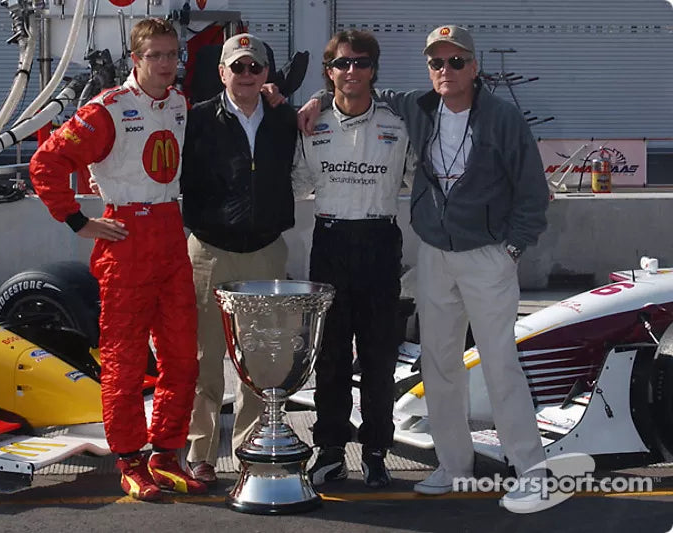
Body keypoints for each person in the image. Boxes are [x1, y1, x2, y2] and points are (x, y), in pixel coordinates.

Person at [299, 24, 550, 508]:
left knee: (500, 364)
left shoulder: (502, 119)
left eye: (457, 62)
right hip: (434, 251)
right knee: (438, 362)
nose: (446, 71)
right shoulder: (417, 106)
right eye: (437, 62)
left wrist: (512, 251)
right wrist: (314, 97)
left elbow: (533, 194)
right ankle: (454, 464)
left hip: (488, 255)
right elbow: (350, 80)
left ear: (474, 68)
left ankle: (531, 469)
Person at [29, 17, 206, 501]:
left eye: (173, 55)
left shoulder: (180, 104)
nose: (167, 64)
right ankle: (129, 458)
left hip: (171, 234)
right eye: (157, 55)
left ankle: (166, 453)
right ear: (136, 59)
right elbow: (45, 162)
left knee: (181, 359)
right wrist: (77, 221)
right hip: (126, 237)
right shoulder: (108, 107)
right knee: (124, 362)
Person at [291, 29, 409, 489]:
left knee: (380, 357)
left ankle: (377, 450)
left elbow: (426, 175)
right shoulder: (311, 122)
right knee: (332, 357)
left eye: (361, 63)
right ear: (329, 71)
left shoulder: (398, 122)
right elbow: (296, 183)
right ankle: (331, 448)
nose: (352, 71)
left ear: (374, 69)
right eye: (342, 64)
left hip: (380, 241)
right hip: (331, 240)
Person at [181, 33, 298, 483]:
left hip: (266, 252)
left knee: (261, 360)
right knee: (205, 358)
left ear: (266, 74)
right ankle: (201, 454)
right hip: (210, 252)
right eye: (238, 67)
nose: (246, 75)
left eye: (255, 68)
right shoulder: (195, 120)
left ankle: (252, 449)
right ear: (221, 73)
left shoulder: (285, 117)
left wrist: (294, 104)